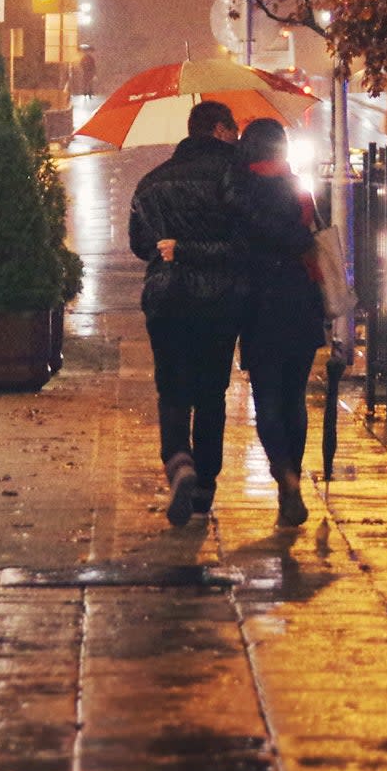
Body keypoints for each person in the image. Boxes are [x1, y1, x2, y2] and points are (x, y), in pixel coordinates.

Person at [129, 100, 245, 527]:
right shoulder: (234, 177)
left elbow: (141, 246)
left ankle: (179, 461)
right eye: (233, 129)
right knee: (211, 393)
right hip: (218, 299)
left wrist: (173, 246)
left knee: (173, 389)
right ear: (218, 129)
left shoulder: (151, 182)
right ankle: (204, 487)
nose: (237, 137)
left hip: (166, 299)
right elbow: (243, 243)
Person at [228, 117, 325, 527]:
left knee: (266, 396)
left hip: (258, 303)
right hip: (300, 301)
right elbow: (315, 238)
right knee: (294, 397)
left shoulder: (237, 191)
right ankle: (293, 478)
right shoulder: (299, 188)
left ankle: (284, 476)